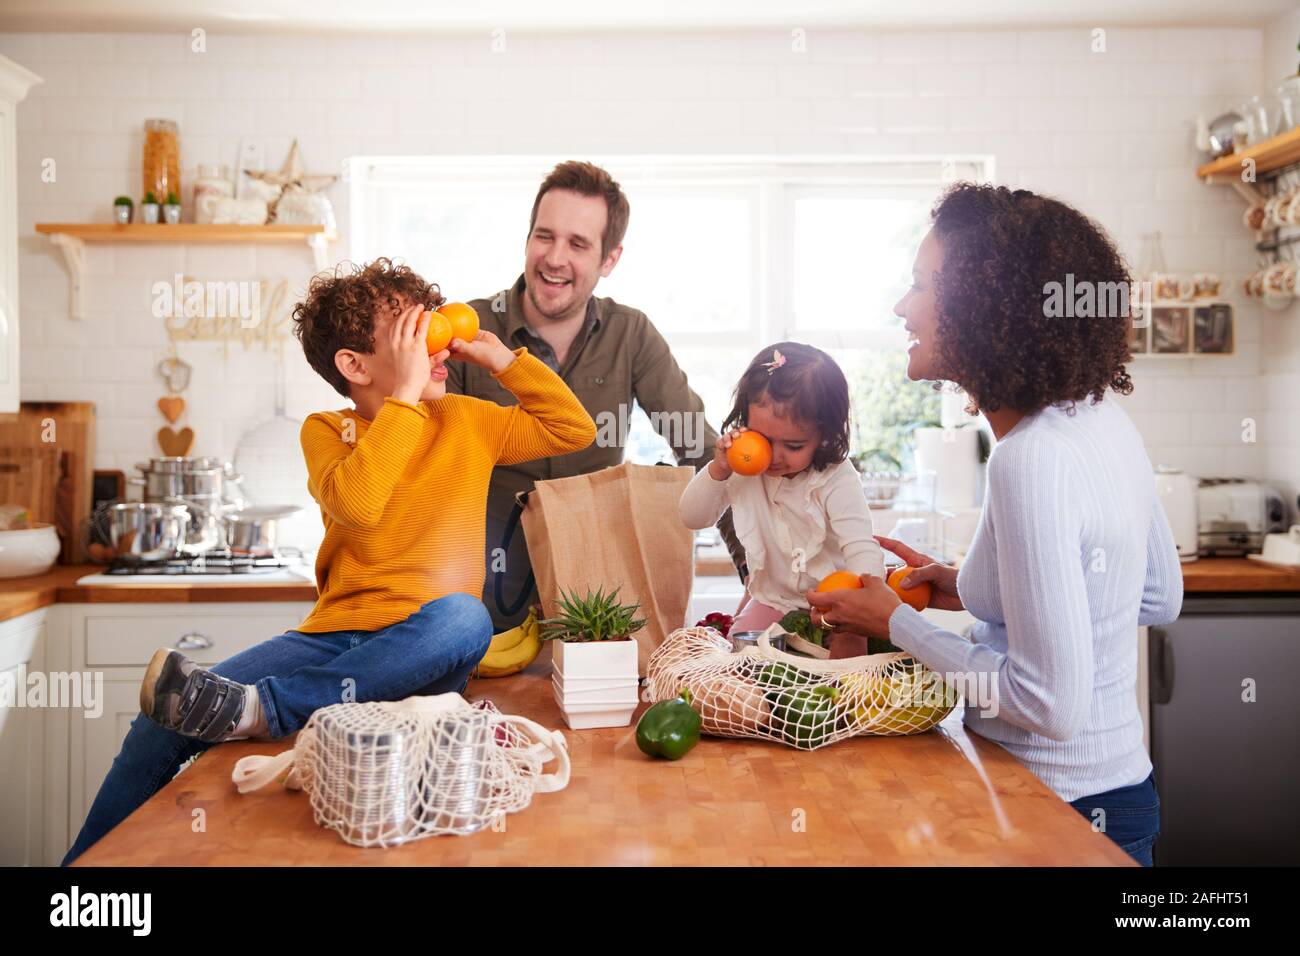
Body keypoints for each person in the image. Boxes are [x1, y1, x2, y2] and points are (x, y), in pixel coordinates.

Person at [61, 258, 596, 864]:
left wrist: (505, 360)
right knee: (162, 718)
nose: (435, 340)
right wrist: (405, 397)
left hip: (420, 647)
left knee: (465, 618)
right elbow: (360, 504)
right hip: (332, 639)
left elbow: (572, 429)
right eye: (411, 331)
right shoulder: (327, 430)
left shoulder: (467, 421)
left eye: (431, 323)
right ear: (354, 365)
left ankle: (268, 708)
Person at [804, 183, 1182, 867]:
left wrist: (897, 624)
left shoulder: (1028, 459)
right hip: (1122, 794)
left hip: (1053, 813)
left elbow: (1046, 705)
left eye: (920, 285)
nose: (901, 307)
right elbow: (1157, 594)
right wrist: (973, 587)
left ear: (982, 306)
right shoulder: (1100, 419)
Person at [447, 160, 745, 632]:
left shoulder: (632, 335)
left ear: (609, 259)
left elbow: (706, 453)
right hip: (478, 603)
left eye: (578, 243)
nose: (555, 257)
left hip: (593, 607)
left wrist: (757, 582)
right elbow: (423, 466)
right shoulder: (468, 331)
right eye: (544, 236)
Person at [679, 342, 885, 634]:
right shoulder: (744, 466)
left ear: (824, 436)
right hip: (773, 599)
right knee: (742, 656)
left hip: (838, 603)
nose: (774, 457)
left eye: (794, 445)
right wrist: (719, 469)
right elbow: (692, 517)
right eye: (763, 438)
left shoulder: (836, 477)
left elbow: (861, 548)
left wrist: (865, 610)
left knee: (847, 668)